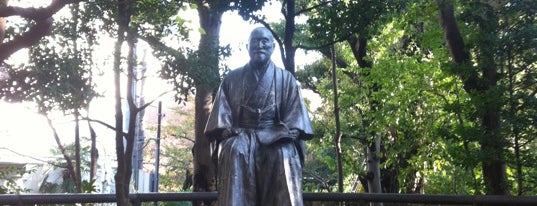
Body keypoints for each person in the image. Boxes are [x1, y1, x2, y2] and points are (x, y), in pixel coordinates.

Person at [204, 27, 314, 206]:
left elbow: (296, 119)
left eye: (265, 41)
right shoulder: (232, 78)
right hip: (241, 134)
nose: (259, 45)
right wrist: (226, 131)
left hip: (274, 134)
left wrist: (290, 131)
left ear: (272, 47)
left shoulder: (286, 79)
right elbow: (220, 121)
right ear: (247, 46)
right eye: (255, 42)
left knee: (283, 153)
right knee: (234, 151)